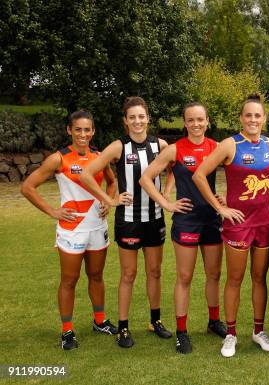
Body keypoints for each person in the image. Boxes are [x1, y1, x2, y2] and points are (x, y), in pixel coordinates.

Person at [21, 110, 118, 350]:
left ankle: (99, 321)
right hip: (72, 230)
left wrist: (108, 200)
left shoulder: (99, 155)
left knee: (96, 276)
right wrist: (53, 212)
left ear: (93, 131)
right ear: (69, 131)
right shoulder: (58, 158)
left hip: (97, 226)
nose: (83, 134)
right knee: (69, 280)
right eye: (78, 129)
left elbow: (112, 182)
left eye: (87, 130)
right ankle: (67, 331)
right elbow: (28, 187)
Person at [80, 96, 173, 348]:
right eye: (132, 117)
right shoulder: (118, 147)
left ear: (148, 118)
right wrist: (109, 200)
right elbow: (87, 175)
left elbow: (174, 167)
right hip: (129, 221)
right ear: (125, 121)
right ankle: (123, 327)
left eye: (141, 116)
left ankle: (155, 321)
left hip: (155, 219)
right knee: (128, 274)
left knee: (155, 272)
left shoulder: (161, 145)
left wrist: (167, 192)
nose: (137, 121)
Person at [192, 94, 269, 358]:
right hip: (238, 224)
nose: (253, 120)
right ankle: (230, 334)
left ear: (264, 118)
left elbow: (263, 175)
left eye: (258, 115)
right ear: (241, 118)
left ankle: (258, 331)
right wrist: (220, 208)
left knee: (259, 278)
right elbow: (199, 174)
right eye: (248, 115)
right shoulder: (230, 144)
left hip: (265, 221)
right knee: (235, 279)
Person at [140, 102, 227, 354]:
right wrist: (167, 203)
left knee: (213, 275)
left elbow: (235, 175)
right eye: (191, 120)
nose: (196, 124)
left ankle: (213, 322)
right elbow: (145, 178)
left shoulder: (216, 147)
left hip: (211, 219)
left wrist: (222, 199)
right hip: (187, 220)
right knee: (185, 277)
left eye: (200, 119)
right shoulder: (175, 149)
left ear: (207, 121)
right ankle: (181, 331)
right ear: (185, 122)